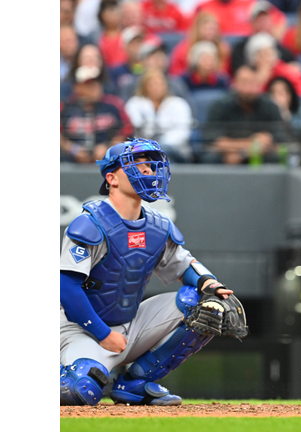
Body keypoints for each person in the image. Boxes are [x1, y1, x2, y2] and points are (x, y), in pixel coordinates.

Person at [60, 137, 246, 406]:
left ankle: (135, 383)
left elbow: (185, 265)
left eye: (149, 164)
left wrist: (211, 284)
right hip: (81, 330)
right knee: (79, 389)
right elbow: (66, 287)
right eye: (136, 164)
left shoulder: (157, 225)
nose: (147, 169)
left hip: (130, 325)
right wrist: (104, 335)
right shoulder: (91, 224)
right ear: (112, 178)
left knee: (206, 305)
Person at [201, 65, 286, 164]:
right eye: (245, 82)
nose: (250, 88)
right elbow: (212, 140)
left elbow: (281, 139)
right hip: (227, 154)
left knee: (276, 157)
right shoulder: (220, 105)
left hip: (262, 154)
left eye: (254, 83)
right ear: (235, 83)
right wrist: (250, 143)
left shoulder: (270, 106)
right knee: (210, 158)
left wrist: (248, 152)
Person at [61, 66, 134, 163]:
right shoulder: (65, 107)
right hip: (71, 162)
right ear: (77, 87)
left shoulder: (114, 104)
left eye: (97, 83)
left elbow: (126, 130)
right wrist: (73, 149)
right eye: (89, 85)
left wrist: (109, 147)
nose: (95, 87)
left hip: (108, 161)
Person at [125, 68, 195, 162]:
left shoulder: (179, 104)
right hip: (142, 150)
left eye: (159, 84)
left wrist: (158, 146)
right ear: (144, 86)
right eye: (152, 84)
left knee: (164, 154)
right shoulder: (134, 103)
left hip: (174, 151)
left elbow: (182, 133)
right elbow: (133, 128)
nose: (156, 88)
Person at [229, 0, 295, 73]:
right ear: (252, 22)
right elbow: (239, 71)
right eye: (259, 19)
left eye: (265, 18)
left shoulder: (279, 47)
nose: (263, 22)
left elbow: (294, 66)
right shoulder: (241, 48)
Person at [243, 33, 301, 99]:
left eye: (270, 54)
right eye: (263, 55)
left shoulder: (285, 71)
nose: (268, 59)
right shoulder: (247, 74)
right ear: (254, 58)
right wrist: (261, 80)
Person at [168, 11, 232, 77]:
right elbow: (176, 75)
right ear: (198, 29)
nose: (210, 33)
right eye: (206, 29)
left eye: (213, 29)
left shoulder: (223, 49)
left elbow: (227, 75)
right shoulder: (183, 49)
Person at [193, 0, 259, 36]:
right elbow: (194, 33)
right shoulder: (204, 8)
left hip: (246, 46)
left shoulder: (249, 5)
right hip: (217, 46)